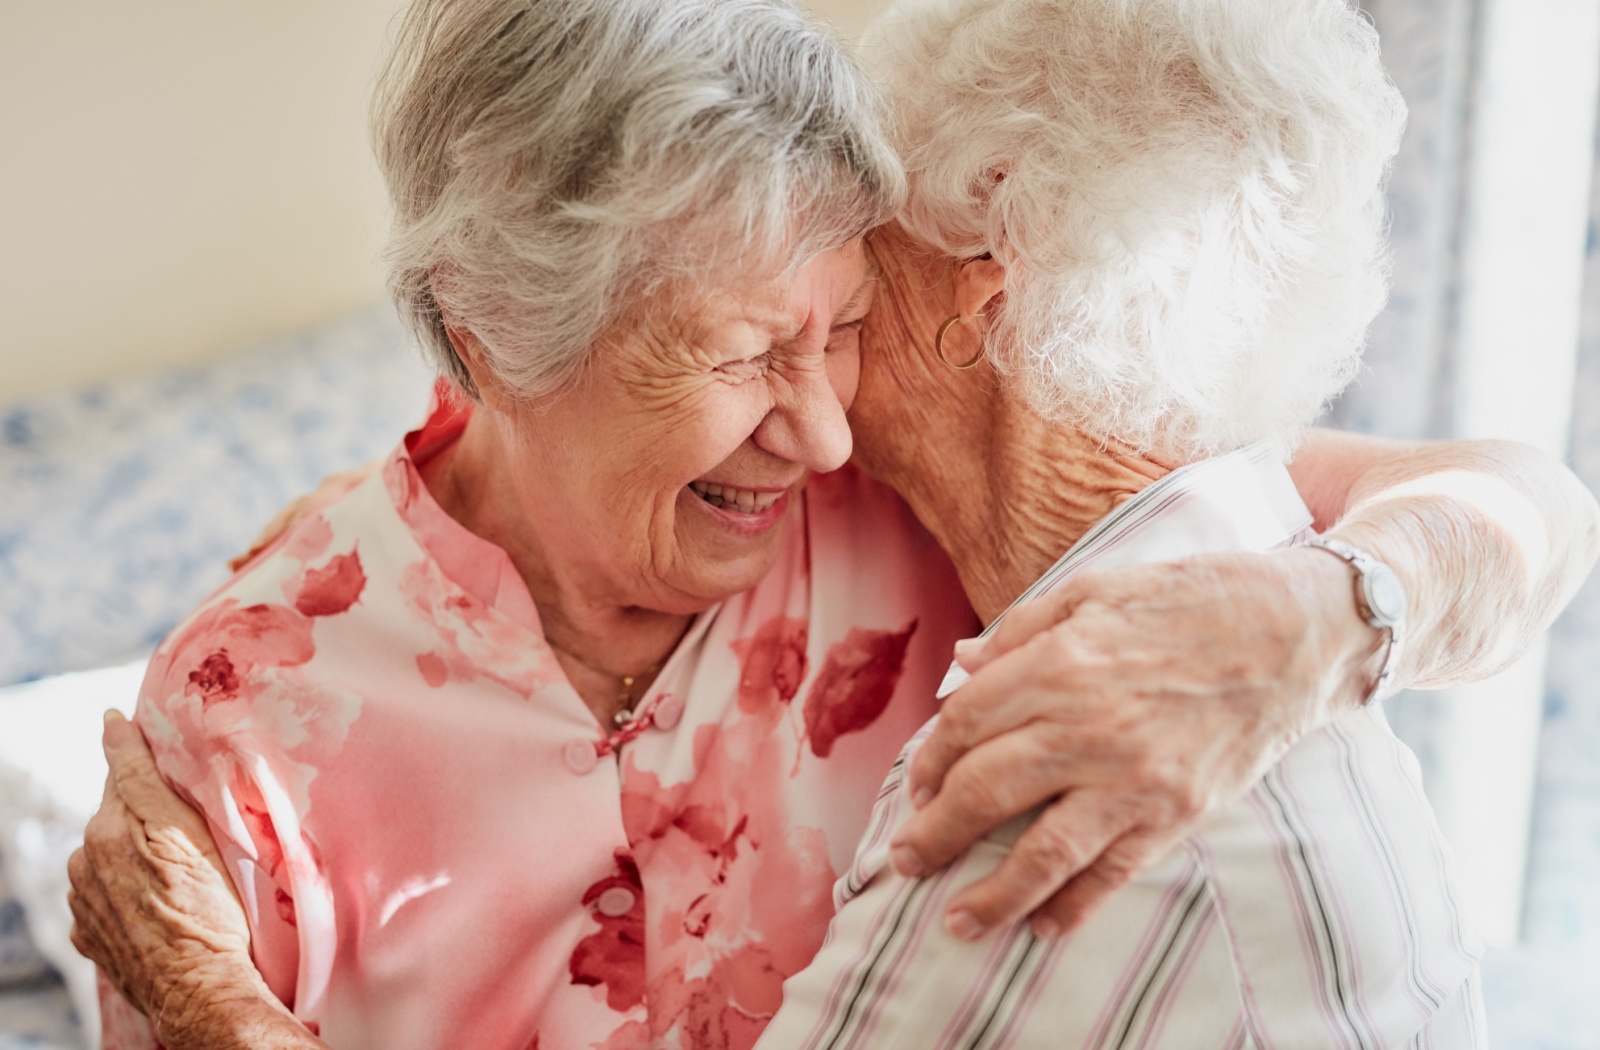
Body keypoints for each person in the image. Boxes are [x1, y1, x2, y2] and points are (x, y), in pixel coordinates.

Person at [66, 0, 1600, 1047]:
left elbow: (1526, 508)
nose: (816, 424)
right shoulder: (250, 720)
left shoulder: (935, 478)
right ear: (488, 340)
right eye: (737, 353)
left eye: (846, 320)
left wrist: (1321, 616)